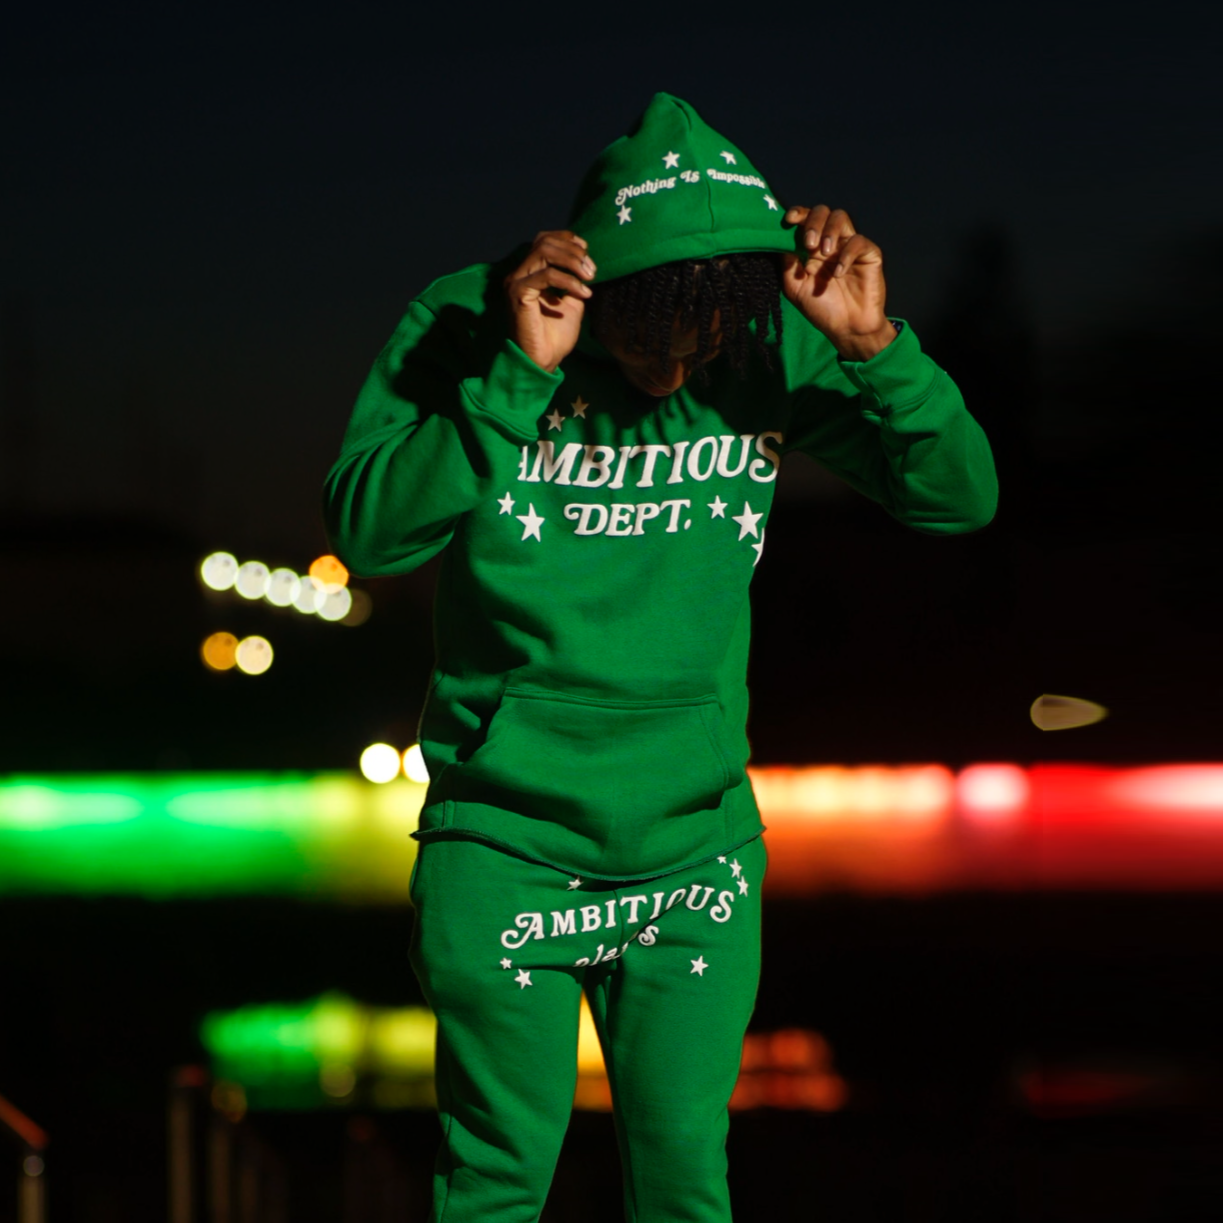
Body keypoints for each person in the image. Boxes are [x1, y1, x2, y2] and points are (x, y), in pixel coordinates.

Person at [324, 92, 997, 1223]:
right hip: (506, 844)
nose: (675, 371)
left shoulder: (776, 334)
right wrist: (515, 374)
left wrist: (871, 348)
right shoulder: (472, 317)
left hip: (696, 851)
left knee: (685, 1179)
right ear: (598, 286)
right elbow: (369, 532)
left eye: (705, 338)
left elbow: (956, 497)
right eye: (651, 336)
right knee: (493, 1181)